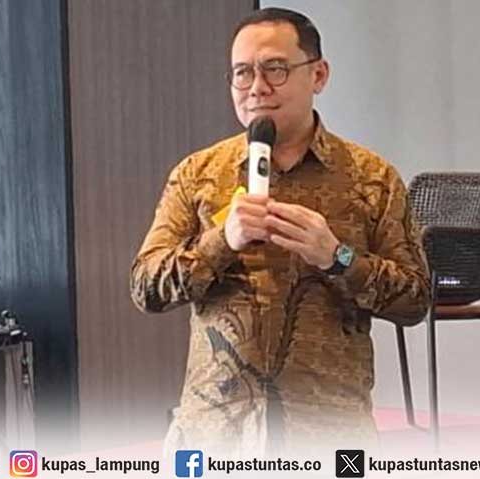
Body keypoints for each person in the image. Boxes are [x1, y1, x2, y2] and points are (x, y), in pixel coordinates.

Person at [130, 7, 430, 456]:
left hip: (328, 432)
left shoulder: (372, 178)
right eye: (242, 73)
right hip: (217, 433)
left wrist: (337, 257)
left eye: (275, 69)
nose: (257, 87)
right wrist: (220, 242)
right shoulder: (198, 174)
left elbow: (415, 300)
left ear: (318, 75)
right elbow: (145, 288)